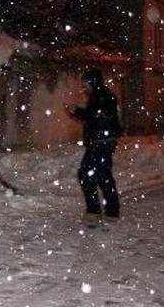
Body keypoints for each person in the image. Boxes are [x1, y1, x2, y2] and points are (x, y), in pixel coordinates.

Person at [66, 68, 122, 223]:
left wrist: (75, 110)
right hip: (105, 140)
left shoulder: (100, 96)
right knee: (103, 174)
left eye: (85, 83)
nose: (84, 87)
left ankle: (94, 210)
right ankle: (111, 210)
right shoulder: (103, 95)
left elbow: (95, 116)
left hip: (100, 141)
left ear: (93, 82)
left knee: (85, 173)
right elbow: (97, 116)